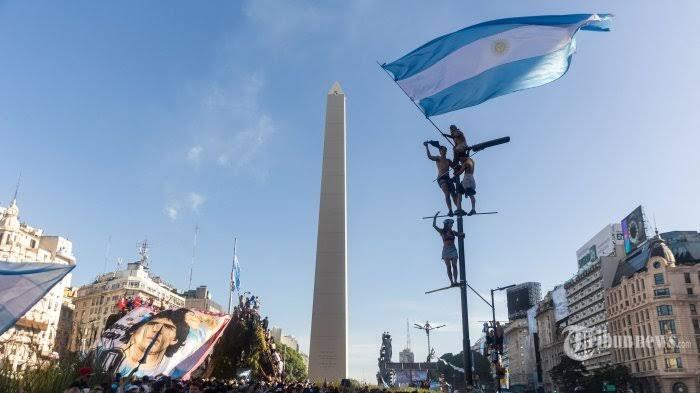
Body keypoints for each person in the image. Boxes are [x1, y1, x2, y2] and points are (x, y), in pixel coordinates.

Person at [424, 141, 460, 216]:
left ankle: (458, 208)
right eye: (443, 150)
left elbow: (455, 167)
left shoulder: (448, 161)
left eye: (445, 150)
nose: (444, 151)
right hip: (441, 178)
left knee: (453, 194)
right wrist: (427, 147)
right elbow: (430, 157)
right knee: (447, 194)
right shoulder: (438, 158)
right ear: (440, 151)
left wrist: (456, 153)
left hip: (448, 178)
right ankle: (450, 210)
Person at [432, 212, 459, 286]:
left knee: (454, 266)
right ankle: (452, 282)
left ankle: (456, 281)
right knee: (448, 267)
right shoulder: (442, 232)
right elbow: (434, 225)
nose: (452, 225)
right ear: (447, 224)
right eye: (451, 224)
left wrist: (462, 234)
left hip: (453, 250)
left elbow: (460, 234)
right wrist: (435, 217)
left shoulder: (453, 232)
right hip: (446, 251)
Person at [454, 151, 477, 216]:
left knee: (459, 192)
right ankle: (473, 209)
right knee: (469, 194)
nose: (460, 161)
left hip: (467, 180)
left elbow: (460, 173)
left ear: (463, 157)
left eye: (461, 159)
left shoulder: (466, 163)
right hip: (471, 179)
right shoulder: (471, 161)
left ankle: (459, 209)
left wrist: (455, 172)